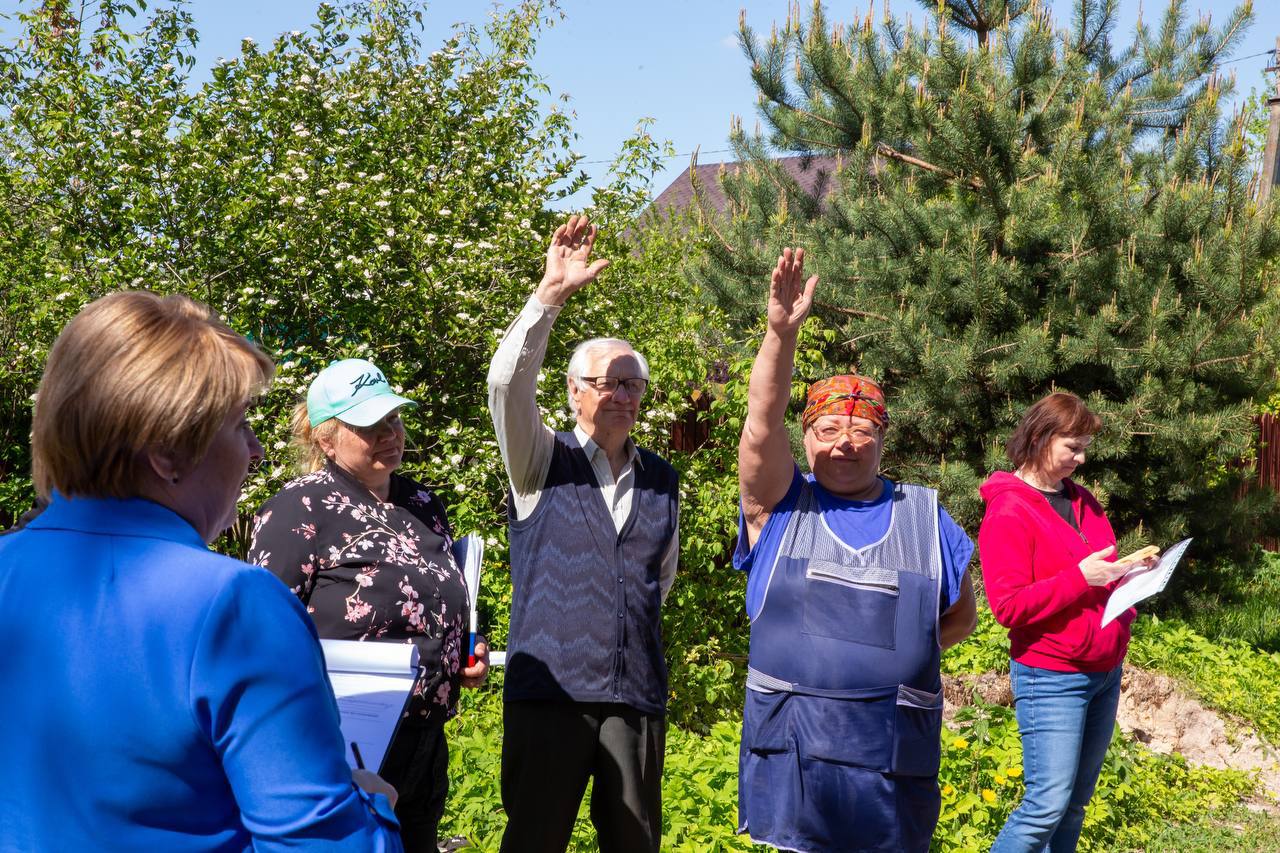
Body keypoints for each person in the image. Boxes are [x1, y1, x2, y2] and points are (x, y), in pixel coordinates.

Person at [0, 291, 402, 851]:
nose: (257, 450)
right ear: (168, 453)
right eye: (240, 425)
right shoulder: (235, 606)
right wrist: (371, 805)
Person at [734, 248, 978, 852]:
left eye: (861, 430)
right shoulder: (779, 505)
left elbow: (961, 616)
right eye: (828, 430)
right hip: (793, 760)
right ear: (806, 438)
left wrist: (891, 668)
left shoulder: (925, 517)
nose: (845, 443)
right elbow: (760, 424)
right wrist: (779, 335)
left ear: (882, 437)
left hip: (891, 766)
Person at [487, 215, 679, 853]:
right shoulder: (540, 460)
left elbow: (657, 581)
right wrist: (549, 298)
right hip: (551, 696)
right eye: (605, 382)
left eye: (632, 384)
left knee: (634, 844)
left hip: (635, 699)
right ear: (573, 392)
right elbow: (506, 384)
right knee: (534, 842)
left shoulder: (661, 480)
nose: (621, 395)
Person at [248, 357, 489, 853]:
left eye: (394, 419)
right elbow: (263, 633)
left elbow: (443, 598)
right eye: (369, 425)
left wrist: (466, 650)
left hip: (425, 739)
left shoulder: (420, 502)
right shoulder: (299, 507)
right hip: (346, 743)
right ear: (324, 438)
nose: (389, 433)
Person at [979, 392, 1155, 852]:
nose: (1080, 458)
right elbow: (1008, 608)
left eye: (1084, 449)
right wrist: (1081, 578)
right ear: (1039, 438)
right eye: (1071, 448)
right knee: (1045, 808)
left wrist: (1132, 576)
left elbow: (1104, 571)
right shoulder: (1009, 511)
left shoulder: (1083, 501)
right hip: (1052, 674)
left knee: (1075, 805)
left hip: (1104, 670)